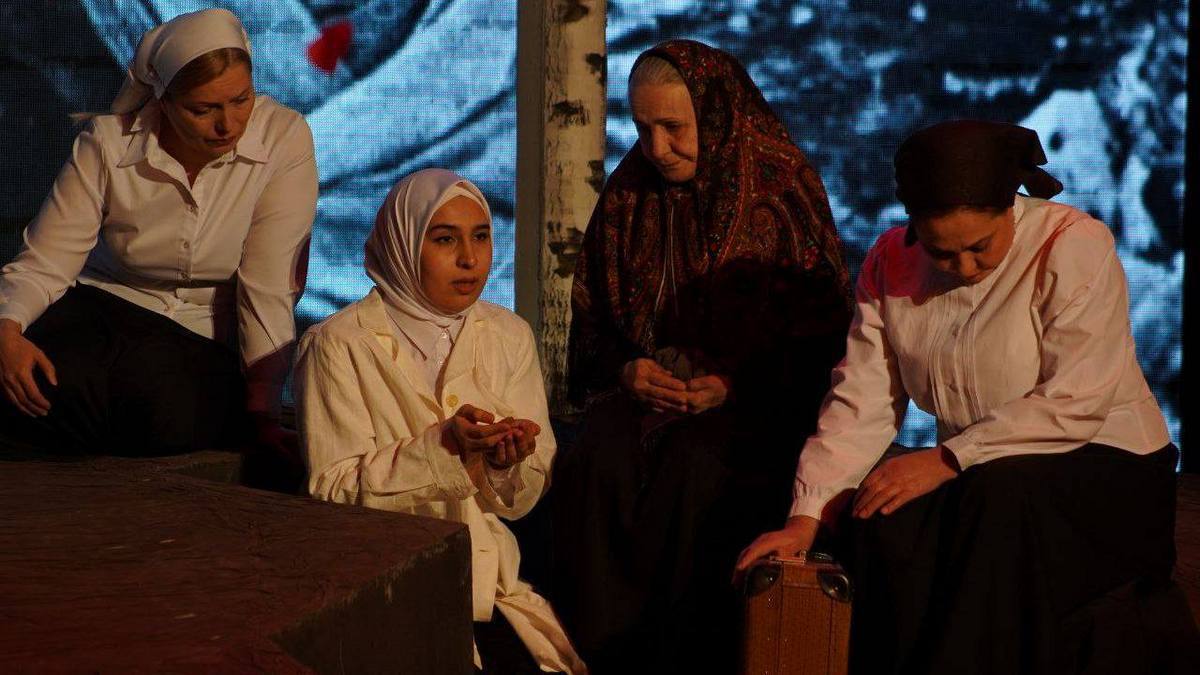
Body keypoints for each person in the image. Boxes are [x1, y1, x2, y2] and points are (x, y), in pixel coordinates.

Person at [737, 120, 1199, 674]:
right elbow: (862, 398)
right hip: (978, 471)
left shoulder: (1072, 243)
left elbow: (1077, 398)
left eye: (980, 247)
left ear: (1008, 208)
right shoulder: (890, 261)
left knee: (998, 501)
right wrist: (808, 514)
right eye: (942, 254)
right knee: (881, 518)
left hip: (1106, 468)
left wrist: (948, 458)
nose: (965, 268)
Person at [553, 40, 851, 673]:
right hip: (648, 398)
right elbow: (594, 321)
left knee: (696, 469)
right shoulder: (630, 190)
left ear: (715, 114)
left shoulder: (781, 185)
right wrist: (628, 369)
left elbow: (826, 337)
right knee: (600, 458)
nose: (657, 148)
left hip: (761, 411)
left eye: (673, 128)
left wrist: (732, 385)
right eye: (643, 129)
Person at [296, 169, 586, 675]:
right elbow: (332, 490)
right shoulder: (338, 345)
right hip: (381, 584)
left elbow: (521, 500)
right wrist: (444, 449)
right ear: (404, 245)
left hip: (485, 580)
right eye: (445, 239)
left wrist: (504, 463)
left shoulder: (508, 335)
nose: (470, 259)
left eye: (481, 237)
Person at [0, 9, 316, 458]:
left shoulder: (284, 137)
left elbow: (268, 284)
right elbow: (47, 261)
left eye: (241, 100)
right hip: (104, 312)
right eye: (203, 110)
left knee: (166, 413)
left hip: (199, 334)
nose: (228, 124)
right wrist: (7, 331)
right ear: (163, 100)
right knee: (30, 388)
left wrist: (263, 407)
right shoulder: (108, 142)